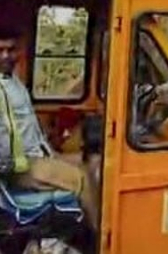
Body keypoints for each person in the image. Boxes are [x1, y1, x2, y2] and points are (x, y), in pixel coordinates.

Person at [0, 27, 99, 233]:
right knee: (80, 178)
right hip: (21, 166)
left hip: (40, 154)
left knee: (92, 162)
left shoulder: (13, 81)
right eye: (1, 50)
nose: (6, 56)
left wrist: (51, 149)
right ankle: (101, 237)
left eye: (11, 50)